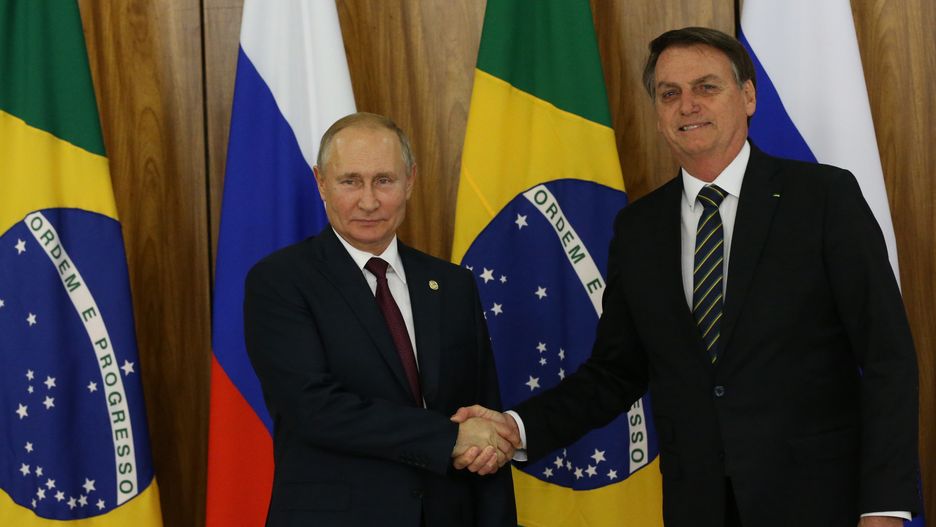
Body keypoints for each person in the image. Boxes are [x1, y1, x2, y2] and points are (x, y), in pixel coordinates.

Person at [452, 27, 919, 527]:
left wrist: (885, 506)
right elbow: (615, 371)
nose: (687, 105)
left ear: (748, 96)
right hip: (697, 504)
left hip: (821, 501)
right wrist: (516, 428)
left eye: (706, 87)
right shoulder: (639, 228)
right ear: (657, 112)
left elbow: (886, 357)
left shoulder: (824, 198)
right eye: (669, 93)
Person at [244, 112, 517, 526]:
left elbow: (483, 416)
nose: (368, 200)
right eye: (350, 181)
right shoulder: (281, 281)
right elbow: (313, 408)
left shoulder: (452, 284)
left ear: (410, 180)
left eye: (384, 180)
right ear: (320, 182)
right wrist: (449, 438)